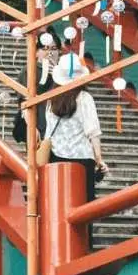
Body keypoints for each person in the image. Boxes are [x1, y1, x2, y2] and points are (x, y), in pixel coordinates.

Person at [45, 53, 108, 247]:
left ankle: (58, 246)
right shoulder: (85, 98)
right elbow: (92, 131)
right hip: (82, 159)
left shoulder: (52, 99)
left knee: (58, 205)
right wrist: (99, 159)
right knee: (83, 206)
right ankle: (82, 246)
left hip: (57, 157)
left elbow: (48, 132)